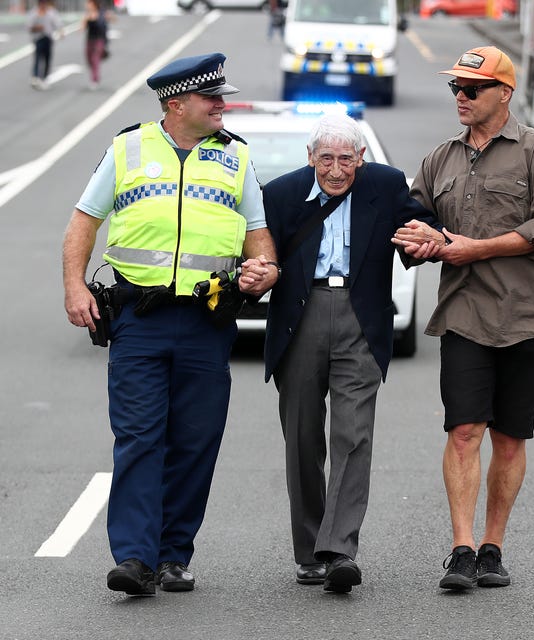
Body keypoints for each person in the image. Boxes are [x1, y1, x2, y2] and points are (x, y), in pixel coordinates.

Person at [62, 53, 279, 596]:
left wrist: (265, 271)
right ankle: (135, 558)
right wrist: (73, 286)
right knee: (138, 436)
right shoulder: (127, 148)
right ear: (177, 104)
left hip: (207, 320)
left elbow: (259, 234)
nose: (222, 105)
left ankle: (173, 554)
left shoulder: (236, 158)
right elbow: (83, 222)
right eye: (213, 99)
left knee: (195, 439)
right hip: (139, 317)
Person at [393, 46, 534, 590]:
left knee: (510, 438)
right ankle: (462, 548)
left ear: (504, 93)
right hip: (464, 316)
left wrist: (476, 249)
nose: (461, 97)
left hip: (525, 317)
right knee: (465, 430)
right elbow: (412, 220)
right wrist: (418, 238)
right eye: (455, 88)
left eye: (472, 89)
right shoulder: (439, 159)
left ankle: (493, 545)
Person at [262, 113, 441, 593]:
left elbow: (420, 224)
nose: (336, 170)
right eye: (326, 159)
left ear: (361, 159)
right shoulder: (280, 194)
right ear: (310, 158)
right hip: (302, 316)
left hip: (360, 318)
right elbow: (258, 253)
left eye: (346, 159)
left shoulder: (383, 185)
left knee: (353, 433)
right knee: (301, 436)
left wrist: (426, 239)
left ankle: (339, 549)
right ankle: (308, 552)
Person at [27, 0, 63, 90]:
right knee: (38, 57)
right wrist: (37, 27)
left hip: (48, 37)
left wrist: (61, 31)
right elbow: (29, 26)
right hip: (38, 38)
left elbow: (57, 23)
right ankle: (35, 77)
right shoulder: (34, 13)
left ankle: (44, 77)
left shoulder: (51, 12)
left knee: (47, 58)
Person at [82, 0, 112, 90]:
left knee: (95, 59)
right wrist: (86, 19)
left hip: (99, 40)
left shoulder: (101, 13)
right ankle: (94, 77)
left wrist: (109, 17)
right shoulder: (87, 15)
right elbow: (82, 28)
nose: (87, 5)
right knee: (89, 59)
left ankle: (94, 80)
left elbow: (109, 21)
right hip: (90, 40)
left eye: (89, 3)